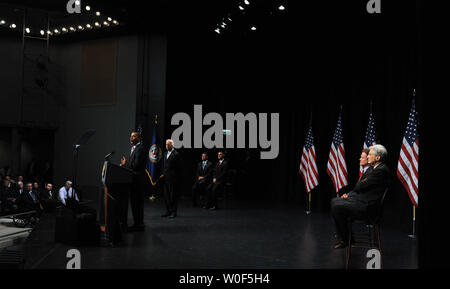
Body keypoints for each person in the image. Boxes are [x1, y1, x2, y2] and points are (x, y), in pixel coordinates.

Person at [330, 144, 390, 249]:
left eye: (370, 155)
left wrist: (358, 187)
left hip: (368, 208)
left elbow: (360, 186)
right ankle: (346, 236)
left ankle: (346, 238)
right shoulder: (373, 169)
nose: (367, 157)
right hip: (362, 201)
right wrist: (348, 195)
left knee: (337, 206)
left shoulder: (381, 170)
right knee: (335, 201)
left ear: (378, 157)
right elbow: (359, 187)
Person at [120, 131, 147, 231]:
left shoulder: (140, 149)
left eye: (134, 136)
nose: (131, 138)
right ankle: (137, 223)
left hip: (137, 181)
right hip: (133, 180)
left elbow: (135, 166)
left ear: (139, 138)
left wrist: (125, 164)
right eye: (131, 136)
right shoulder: (134, 148)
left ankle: (139, 224)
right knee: (134, 203)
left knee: (137, 203)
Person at [161, 139, 182, 218]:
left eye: (168, 144)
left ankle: (173, 212)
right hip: (165, 178)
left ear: (172, 145)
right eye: (166, 144)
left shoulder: (176, 154)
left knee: (173, 196)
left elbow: (179, 167)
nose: (167, 146)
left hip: (173, 179)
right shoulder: (165, 153)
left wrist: (176, 178)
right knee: (166, 196)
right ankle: (168, 211)